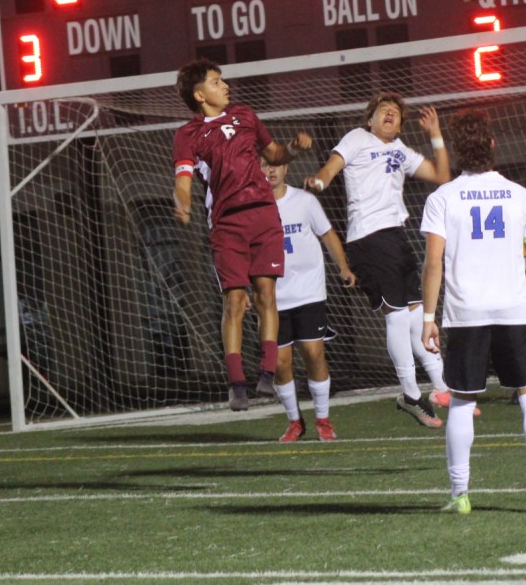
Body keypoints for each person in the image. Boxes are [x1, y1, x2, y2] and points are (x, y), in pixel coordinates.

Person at [420, 109, 526, 514]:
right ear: (493, 145)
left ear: (459, 150)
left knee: (462, 400)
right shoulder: (521, 197)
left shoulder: (442, 198)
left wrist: (428, 318)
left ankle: (460, 495)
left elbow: (434, 263)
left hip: (466, 315)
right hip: (514, 311)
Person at [304, 92, 455, 428]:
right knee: (399, 319)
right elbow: (331, 168)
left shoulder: (399, 149)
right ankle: (411, 394)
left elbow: (442, 176)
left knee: (417, 318)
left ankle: (443, 388)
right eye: (382, 111)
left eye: (395, 113)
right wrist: (319, 180)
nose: (389, 115)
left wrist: (435, 134)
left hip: (397, 238)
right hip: (369, 239)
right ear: (369, 120)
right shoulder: (358, 138)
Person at [172, 58, 311, 411]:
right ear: (200, 94)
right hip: (227, 223)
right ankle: (236, 383)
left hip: (264, 214)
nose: (225, 86)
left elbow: (274, 153)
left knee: (267, 294)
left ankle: (266, 374)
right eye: (217, 82)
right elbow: (183, 179)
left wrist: (292, 149)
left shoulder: (246, 115)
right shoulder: (188, 135)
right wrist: (183, 203)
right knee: (234, 300)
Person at [262, 158, 356, 442]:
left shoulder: (304, 201)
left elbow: (327, 234)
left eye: (276, 165)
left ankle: (323, 420)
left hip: (308, 293)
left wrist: (344, 267)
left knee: (314, 355)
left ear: (286, 169)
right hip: (272, 299)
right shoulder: (253, 208)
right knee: (280, 363)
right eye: (265, 165)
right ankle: (294, 422)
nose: (271, 170)